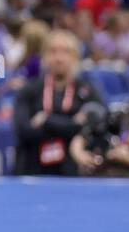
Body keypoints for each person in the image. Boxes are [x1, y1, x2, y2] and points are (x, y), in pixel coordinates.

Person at [11, 29, 102, 176]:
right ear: (44, 56)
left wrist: (46, 121)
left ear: (76, 57)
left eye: (66, 52)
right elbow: (24, 132)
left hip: (73, 173)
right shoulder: (28, 91)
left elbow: (95, 129)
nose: (59, 58)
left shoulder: (88, 91)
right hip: (33, 171)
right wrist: (73, 124)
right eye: (53, 51)